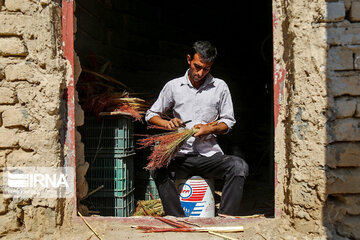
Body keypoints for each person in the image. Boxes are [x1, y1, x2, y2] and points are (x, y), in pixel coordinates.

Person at [145, 41, 249, 217]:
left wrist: (210, 129)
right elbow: (151, 114)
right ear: (188, 59)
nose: (200, 73)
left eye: (206, 69)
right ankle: (178, 218)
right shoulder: (173, 86)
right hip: (180, 157)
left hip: (209, 157)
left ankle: (225, 218)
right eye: (197, 66)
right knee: (157, 168)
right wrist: (167, 124)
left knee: (238, 167)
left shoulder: (220, 87)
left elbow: (228, 122)